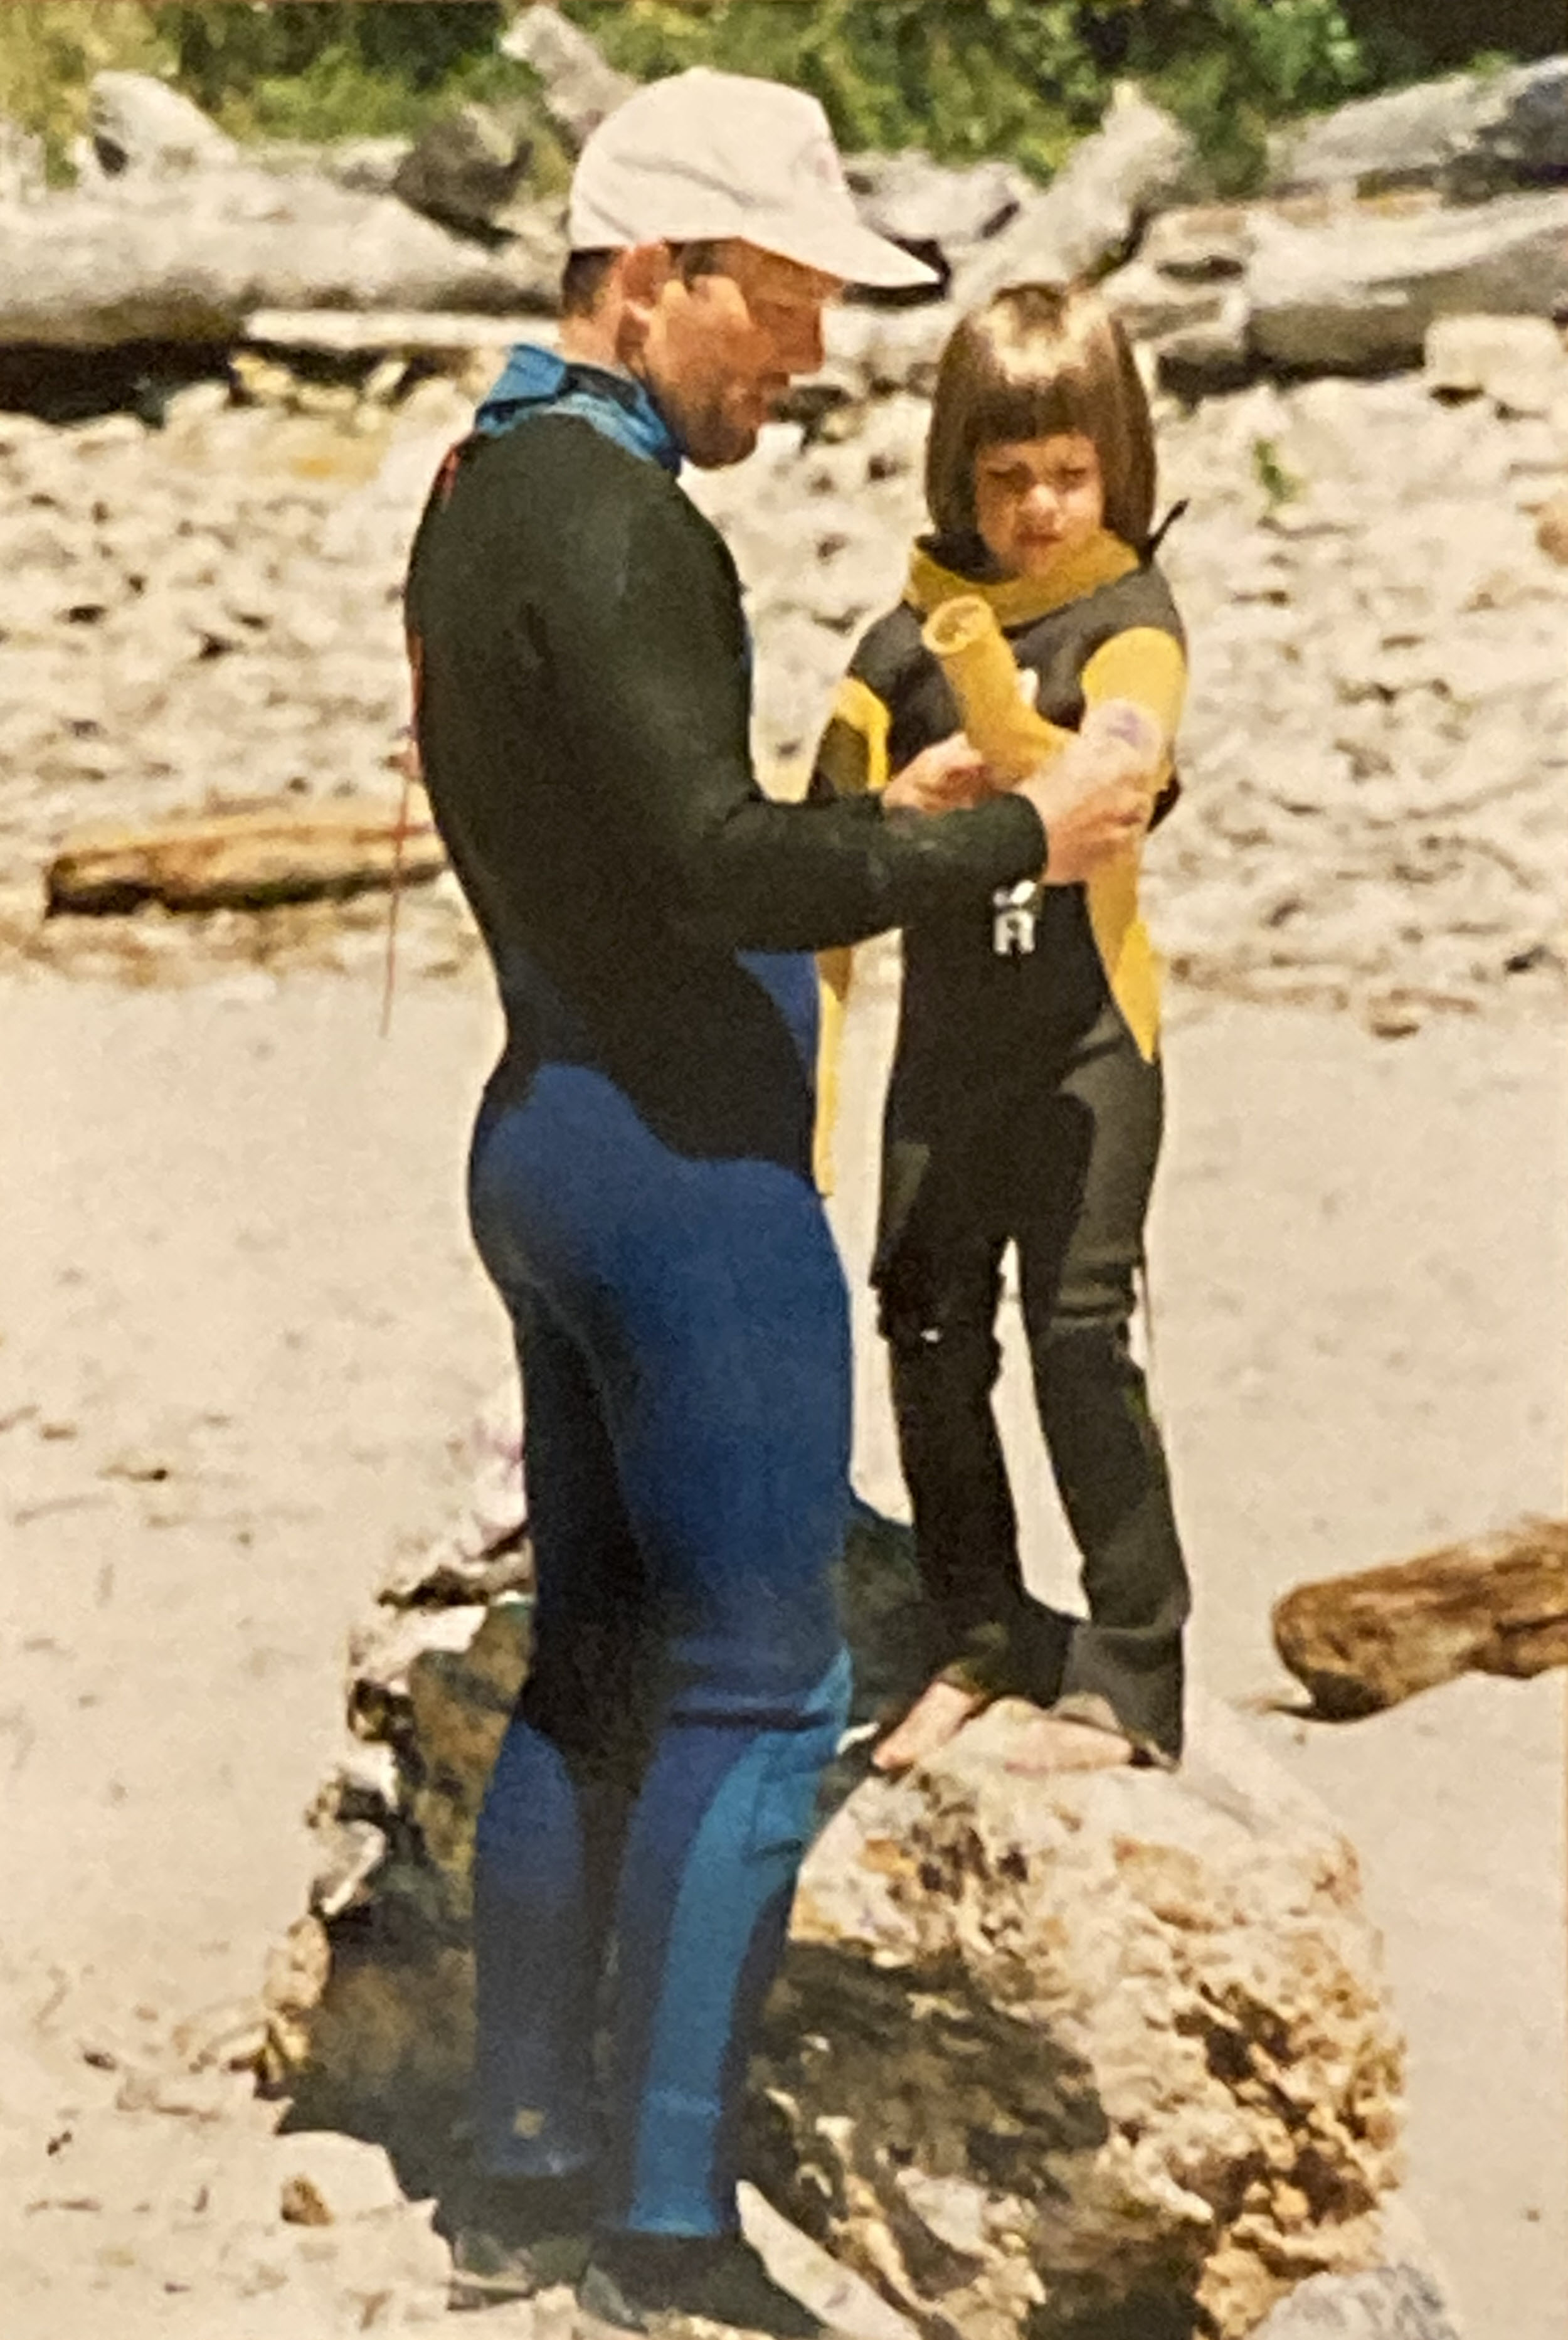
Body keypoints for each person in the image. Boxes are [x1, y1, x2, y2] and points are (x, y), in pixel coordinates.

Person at [404, 73, 1154, 2336]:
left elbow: (634, 835)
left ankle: (515, 2168)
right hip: (683, 1175)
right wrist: (1015, 841)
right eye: (787, 305)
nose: (812, 359)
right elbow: (722, 868)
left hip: (544, 1127)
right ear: (656, 276)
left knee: (593, 1669)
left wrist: (873, 810)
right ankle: (665, 2232)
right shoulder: (631, 525)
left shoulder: (475, 488)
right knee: (762, 1682)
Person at [811, 282, 1192, 1782]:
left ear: (1118, 467)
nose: (1041, 511)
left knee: (1080, 1340)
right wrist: (812, 1089)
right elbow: (818, 852)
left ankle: (1130, 1669)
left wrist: (1021, 754)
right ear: (956, 475)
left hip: (1092, 1047)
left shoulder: (1129, 618)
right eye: (1006, 478)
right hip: (945, 1058)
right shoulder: (894, 645)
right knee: (922, 1325)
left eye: (1071, 475)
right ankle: (975, 1628)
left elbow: (1119, 763)